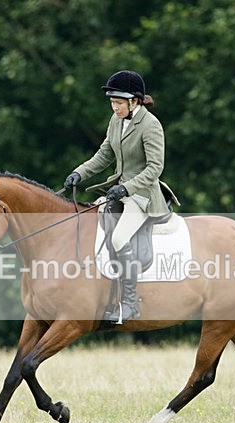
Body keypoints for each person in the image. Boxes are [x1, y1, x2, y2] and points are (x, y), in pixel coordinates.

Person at [64, 70, 172, 324]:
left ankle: (130, 304)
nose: (115, 107)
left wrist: (127, 189)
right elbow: (104, 155)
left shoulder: (150, 125)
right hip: (119, 191)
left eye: (119, 103)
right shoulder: (116, 121)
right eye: (112, 103)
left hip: (143, 196)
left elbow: (155, 168)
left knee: (119, 237)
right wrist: (78, 173)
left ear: (134, 101)